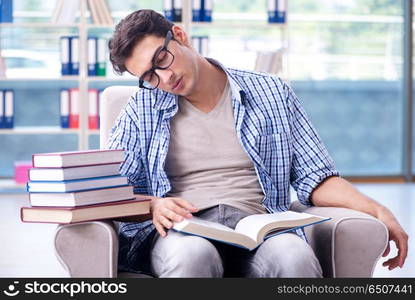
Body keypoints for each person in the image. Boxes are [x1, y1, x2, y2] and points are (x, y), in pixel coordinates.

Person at [107, 9, 408, 277]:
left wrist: (377, 210)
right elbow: (109, 189)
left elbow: (315, 177)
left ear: (180, 36)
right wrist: (154, 205)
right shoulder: (141, 109)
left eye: (162, 59)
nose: (165, 77)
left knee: (294, 257)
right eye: (149, 76)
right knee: (192, 256)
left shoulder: (271, 92)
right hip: (185, 231)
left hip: (259, 226)